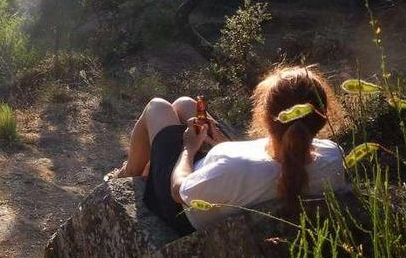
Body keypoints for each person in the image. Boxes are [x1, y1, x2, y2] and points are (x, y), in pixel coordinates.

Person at [118, 65, 350, 234]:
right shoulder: (333, 155)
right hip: (222, 178)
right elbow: (257, 167)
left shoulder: (232, 167)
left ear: (265, 117)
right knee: (186, 104)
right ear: (322, 117)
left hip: (183, 205)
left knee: (158, 106)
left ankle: (127, 174)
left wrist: (189, 148)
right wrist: (222, 145)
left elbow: (179, 191)